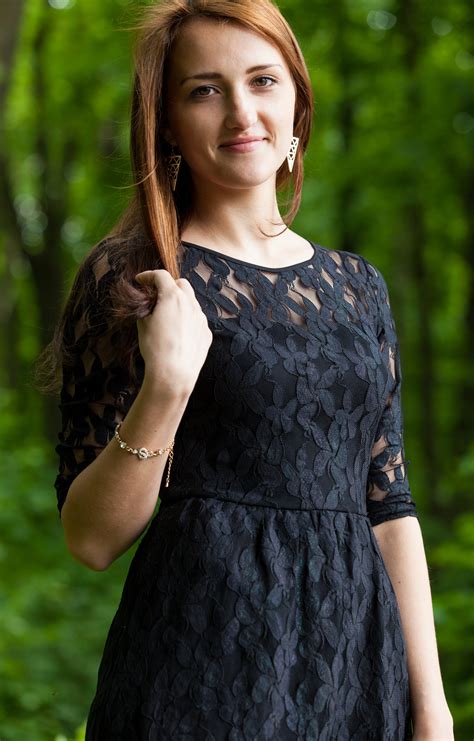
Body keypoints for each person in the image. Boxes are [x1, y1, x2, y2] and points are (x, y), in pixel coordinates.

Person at [43, 0, 454, 738]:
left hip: (357, 667)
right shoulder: (133, 276)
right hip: (202, 665)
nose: (242, 111)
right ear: (166, 121)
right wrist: (166, 386)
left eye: (263, 80)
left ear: (296, 98)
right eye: (205, 89)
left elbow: (389, 508)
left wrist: (432, 708)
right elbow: (90, 537)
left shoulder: (359, 288)